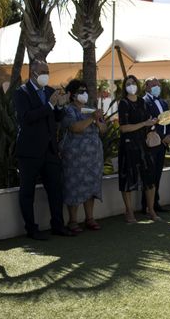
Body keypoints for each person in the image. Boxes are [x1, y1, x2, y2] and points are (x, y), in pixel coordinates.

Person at [13, 60, 74, 240]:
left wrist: (60, 105)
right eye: (42, 71)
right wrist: (49, 105)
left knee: (56, 189)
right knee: (27, 191)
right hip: (29, 151)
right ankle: (31, 229)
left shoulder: (49, 91)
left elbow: (56, 118)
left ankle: (58, 225)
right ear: (32, 72)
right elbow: (26, 118)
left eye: (47, 71)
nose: (46, 74)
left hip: (50, 150)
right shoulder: (21, 93)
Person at [60, 79, 107, 233]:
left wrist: (99, 120)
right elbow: (75, 128)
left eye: (85, 90)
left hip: (93, 158)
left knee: (91, 186)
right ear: (72, 95)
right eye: (80, 91)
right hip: (75, 158)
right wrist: (92, 118)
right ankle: (73, 220)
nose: (84, 94)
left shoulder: (91, 110)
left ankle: (90, 218)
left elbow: (103, 129)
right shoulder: (69, 110)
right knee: (74, 186)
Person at [118, 75, 160, 222]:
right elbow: (123, 128)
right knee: (127, 179)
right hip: (129, 146)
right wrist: (144, 124)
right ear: (124, 87)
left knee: (150, 179)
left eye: (133, 83)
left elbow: (148, 121)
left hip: (143, 145)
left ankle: (151, 211)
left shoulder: (142, 102)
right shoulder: (123, 103)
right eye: (128, 84)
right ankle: (129, 212)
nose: (131, 86)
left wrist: (153, 125)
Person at [142, 77, 170, 214]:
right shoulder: (143, 101)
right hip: (152, 143)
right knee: (150, 174)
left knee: (158, 174)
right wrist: (160, 138)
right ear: (147, 86)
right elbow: (146, 122)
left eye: (158, 85)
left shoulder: (163, 102)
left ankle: (155, 203)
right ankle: (146, 205)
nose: (157, 87)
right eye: (154, 85)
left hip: (163, 145)